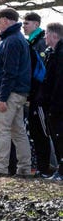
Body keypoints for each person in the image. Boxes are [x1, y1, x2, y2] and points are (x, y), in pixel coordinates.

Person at [0, 8, 32, 177]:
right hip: (18, 92)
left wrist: (3, 97)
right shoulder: (18, 39)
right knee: (18, 131)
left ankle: (0, 167)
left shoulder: (11, 41)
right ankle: (24, 168)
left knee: (1, 130)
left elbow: (9, 71)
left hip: (9, 93)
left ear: (5, 20)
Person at [23, 12, 52, 176]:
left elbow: (42, 71)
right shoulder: (30, 42)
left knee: (42, 132)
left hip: (40, 95)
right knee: (35, 131)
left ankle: (44, 168)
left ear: (36, 24)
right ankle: (42, 167)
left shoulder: (39, 43)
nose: (24, 26)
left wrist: (38, 92)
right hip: (33, 94)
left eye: (26, 23)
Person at [38, 22, 63, 181]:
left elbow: (60, 81)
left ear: (54, 35)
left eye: (46, 33)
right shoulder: (52, 53)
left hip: (59, 104)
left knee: (60, 136)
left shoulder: (61, 54)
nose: (44, 36)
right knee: (56, 136)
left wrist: (54, 103)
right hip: (52, 104)